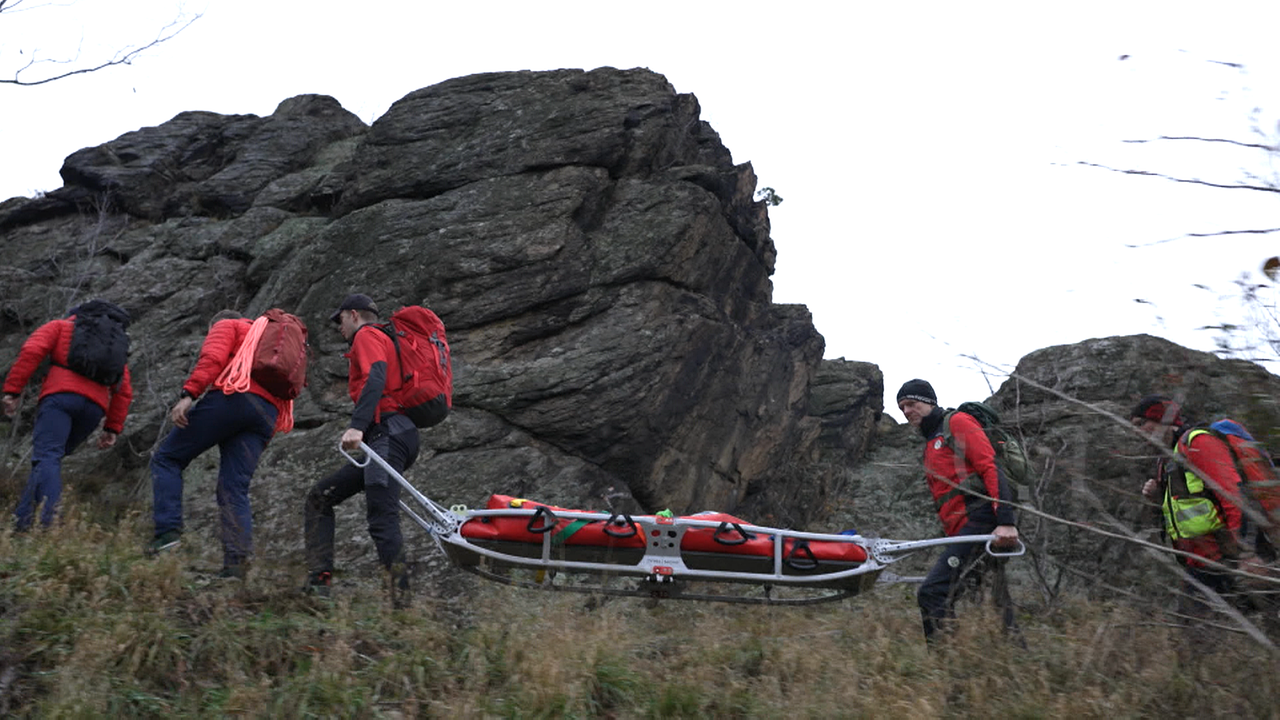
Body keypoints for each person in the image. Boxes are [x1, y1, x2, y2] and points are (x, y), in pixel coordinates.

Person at [148, 310, 294, 578]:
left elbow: (213, 358)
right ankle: (236, 567)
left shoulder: (228, 325)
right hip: (266, 415)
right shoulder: (268, 337)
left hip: (233, 396)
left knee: (167, 458)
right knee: (233, 488)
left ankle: (166, 536)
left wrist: (188, 394)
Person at [304, 294, 419, 608]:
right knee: (320, 497)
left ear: (353, 315)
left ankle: (402, 607)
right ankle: (319, 582)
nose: (338, 327)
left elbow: (376, 378)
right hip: (391, 437)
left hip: (387, 436)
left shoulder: (367, 335)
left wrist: (357, 425)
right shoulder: (380, 337)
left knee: (382, 519)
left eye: (339, 319)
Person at [896, 379, 1020, 641]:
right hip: (962, 529)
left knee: (933, 592)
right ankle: (1012, 656)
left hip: (981, 521)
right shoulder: (931, 441)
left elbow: (990, 467)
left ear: (929, 402)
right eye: (902, 408)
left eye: (911, 404)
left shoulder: (956, 423)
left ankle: (946, 665)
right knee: (993, 598)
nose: (907, 412)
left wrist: (1006, 521)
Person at [2, 302, 133, 530]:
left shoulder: (61, 327)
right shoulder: (114, 346)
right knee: (49, 459)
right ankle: (21, 524)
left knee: (47, 457)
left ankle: (50, 522)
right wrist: (112, 427)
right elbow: (124, 390)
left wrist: (13, 391)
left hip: (60, 398)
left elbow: (32, 352)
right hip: (94, 409)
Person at [1131, 395, 1253, 615]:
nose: (1137, 432)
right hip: (1197, 565)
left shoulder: (1197, 443)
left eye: (1141, 424)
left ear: (1161, 419)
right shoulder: (1167, 458)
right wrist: (1158, 498)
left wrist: (1246, 555)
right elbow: (1183, 511)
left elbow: (1236, 498)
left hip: (1226, 561)